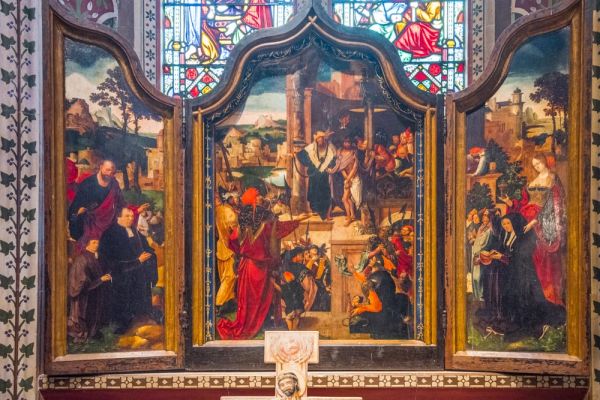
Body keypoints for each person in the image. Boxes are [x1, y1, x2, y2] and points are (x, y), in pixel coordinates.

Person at [217, 187, 303, 340]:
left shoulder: (242, 222)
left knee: (250, 300)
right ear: (253, 200)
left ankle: (255, 324)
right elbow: (278, 233)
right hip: (261, 267)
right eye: (257, 196)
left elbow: (232, 241)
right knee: (261, 298)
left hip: (247, 266)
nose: (260, 197)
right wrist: (298, 221)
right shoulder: (267, 221)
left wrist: (243, 253)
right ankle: (260, 324)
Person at [476, 213, 565, 340]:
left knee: (527, 302)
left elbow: (520, 257)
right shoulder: (507, 235)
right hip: (513, 274)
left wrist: (502, 257)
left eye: (508, 223)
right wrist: (496, 253)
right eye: (503, 224)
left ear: (514, 223)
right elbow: (508, 252)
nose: (506, 226)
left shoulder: (524, 237)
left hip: (524, 276)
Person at [500, 153, 566, 306]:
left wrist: (536, 221)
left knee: (536, 255)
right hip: (525, 218)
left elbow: (555, 204)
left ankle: (544, 296)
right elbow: (524, 202)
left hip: (540, 221)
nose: (537, 167)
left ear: (545, 162)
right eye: (535, 165)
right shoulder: (533, 181)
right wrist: (510, 203)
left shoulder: (553, 179)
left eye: (539, 164)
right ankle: (525, 295)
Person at [99, 208, 158, 333]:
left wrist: (150, 254)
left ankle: (141, 317)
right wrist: (137, 261)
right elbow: (109, 261)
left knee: (141, 293)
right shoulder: (109, 234)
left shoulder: (135, 231)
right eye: (127, 216)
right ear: (118, 218)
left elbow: (146, 248)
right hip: (120, 275)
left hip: (137, 273)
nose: (131, 219)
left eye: (132, 216)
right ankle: (122, 325)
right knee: (123, 301)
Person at [68, 160, 127, 252]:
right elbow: (75, 209)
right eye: (107, 170)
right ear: (101, 167)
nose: (110, 174)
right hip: (89, 222)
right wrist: (78, 214)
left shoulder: (114, 184)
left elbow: (121, 202)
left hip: (109, 221)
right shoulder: (88, 183)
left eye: (112, 172)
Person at [67, 238, 112, 342]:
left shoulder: (96, 257)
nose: (97, 244)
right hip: (85, 294)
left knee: (96, 313)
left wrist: (104, 277)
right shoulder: (82, 259)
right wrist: (100, 280)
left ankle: (93, 333)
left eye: (98, 242)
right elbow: (81, 280)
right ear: (86, 244)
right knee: (86, 314)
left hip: (95, 291)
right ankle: (85, 334)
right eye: (93, 242)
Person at [295, 131, 337, 220]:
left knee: (325, 193)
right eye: (318, 139)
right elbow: (302, 155)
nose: (320, 141)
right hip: (314, 175)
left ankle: (325, 212)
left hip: (324, 175)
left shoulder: (330, 148)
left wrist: (330, 167)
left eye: (322, 139)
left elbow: (333, 159)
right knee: (314, 192)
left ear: (324, 139)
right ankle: (315, 210)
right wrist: (296, 154)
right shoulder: (312, 147)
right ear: (316, 140)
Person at [327, 136, 362, 225]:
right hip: (347, 178)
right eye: (345, 142)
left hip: (355, 178)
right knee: (346, 198)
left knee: (349, 198)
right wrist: (347, 179)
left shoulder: (354, 152)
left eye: (348, 142)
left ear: (351, 143)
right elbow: (341, 167)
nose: (347, 144)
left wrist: (349, 179)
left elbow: (355, 168)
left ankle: (351, 216)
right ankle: (350, 216)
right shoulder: (340, 152)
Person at [215, 191, 240, 315]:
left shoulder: (215, 211)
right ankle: (219, 303)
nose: (237, 200)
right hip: (229, 248)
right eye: (235, 198)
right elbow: (235, 231)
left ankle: (228, 303)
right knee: (229, 277)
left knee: (225, 277)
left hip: (220, 248)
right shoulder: (227, 211)